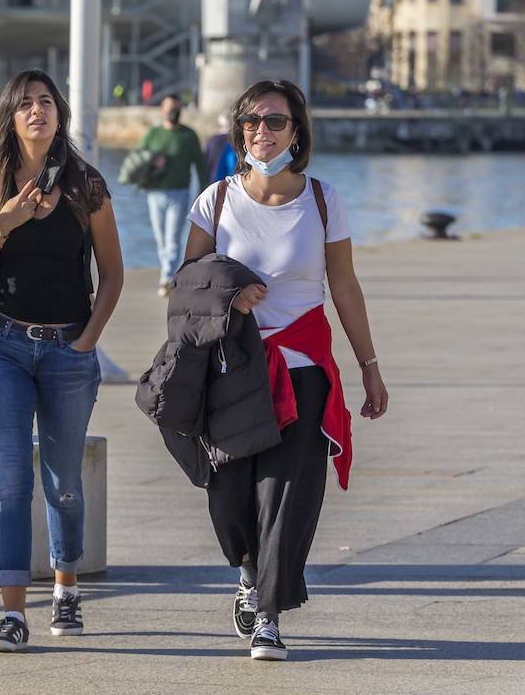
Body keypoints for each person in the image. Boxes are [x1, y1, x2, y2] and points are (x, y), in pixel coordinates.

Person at [181, 79, 389, 661]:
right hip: (232, 369)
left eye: (275, 122)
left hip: (301, 370)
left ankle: (270, 613)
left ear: (297, 132)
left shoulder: (323, 201)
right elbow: (187, 284)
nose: (261, 132)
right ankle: (248, 575)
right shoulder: (215, 200)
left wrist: (368, 365)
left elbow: (344, 287)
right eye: (251, 121)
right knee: (229, 498)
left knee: (287, 494)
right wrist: (231, 293)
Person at [0, 69, 123, 653]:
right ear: (11, 115)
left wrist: (88, 339)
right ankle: (11, 612)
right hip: (2, 348)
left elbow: (113, 272)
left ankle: (66, 584)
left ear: (60, 114)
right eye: (25, 104)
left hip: (67, 350)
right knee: (10, 483)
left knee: (64, 483)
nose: (36, 112)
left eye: (46, 102)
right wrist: (7, 221)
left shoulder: (86, 184)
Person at [137, 94, 208, 296]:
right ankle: (167, 273)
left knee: (173, 238)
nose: (173, 112)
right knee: (161, 239)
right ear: (162, 110)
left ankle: (166, 278)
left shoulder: (189, 136)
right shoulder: (153, 134)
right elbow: (139, 160)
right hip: (155, 193)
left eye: (176, 109)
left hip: (180, 192)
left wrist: (205, 191)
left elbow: (201, 165)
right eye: (169, 108)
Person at [204, 112, 239, 184]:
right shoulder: (235, 141)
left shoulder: (211, 141)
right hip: (233, 181)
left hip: (214, 180)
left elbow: (206, 162)